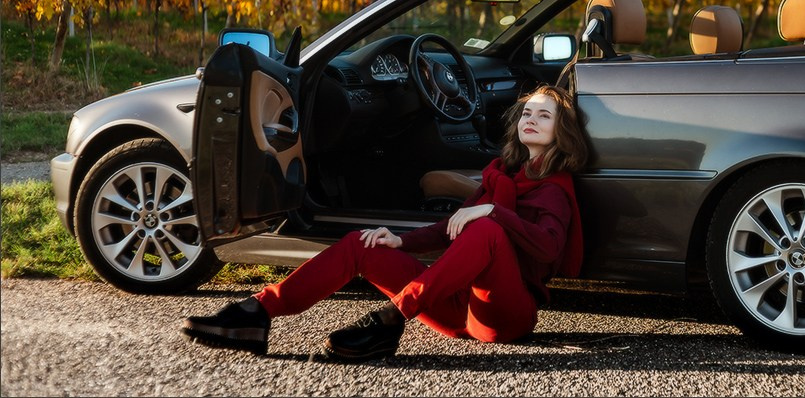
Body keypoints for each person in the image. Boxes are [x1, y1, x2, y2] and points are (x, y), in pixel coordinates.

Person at [181, 84, 589, 361]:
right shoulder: (503, 172)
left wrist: (493, 212)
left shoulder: (554, 187)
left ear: (561, 132)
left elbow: (549, 246)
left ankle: (390, 320)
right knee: (365, 243)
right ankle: (257, 314)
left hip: (504, 316)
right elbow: (449, 229)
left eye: (545, 116)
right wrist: (400, 242)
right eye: (527, 112)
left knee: (485, 228)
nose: (531, 119)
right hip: (453, 308)